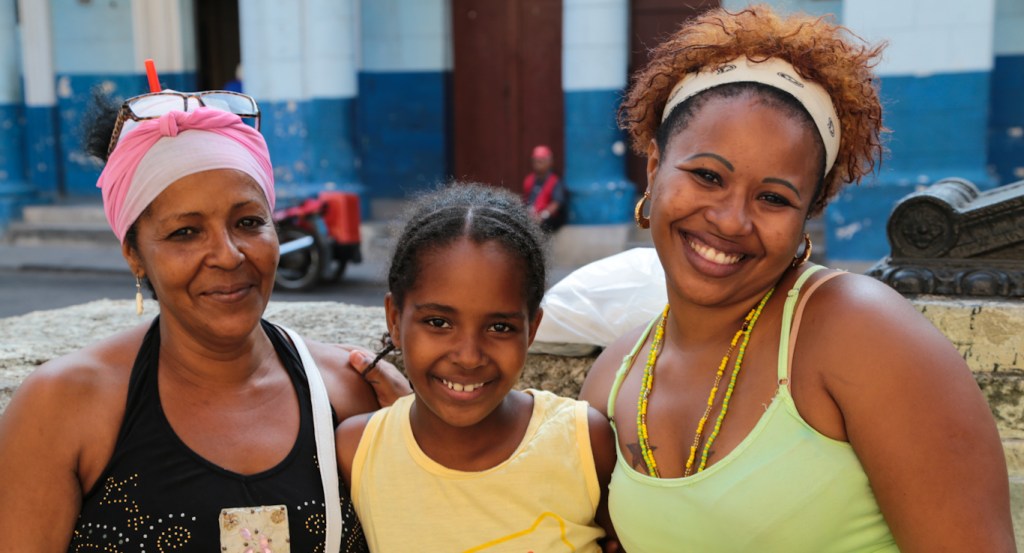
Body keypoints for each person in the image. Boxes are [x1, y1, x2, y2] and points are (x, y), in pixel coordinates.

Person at [577, 5, 1017, 552]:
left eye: (773, 198)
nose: (732, 220)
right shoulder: (613, 380)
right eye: (707, 175)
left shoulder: (859, 334)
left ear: (808, 213)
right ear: (653, 167)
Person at [0, 88, 409, 552]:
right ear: (134, 254)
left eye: (249, 222)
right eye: (185, 232)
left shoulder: (348, 393)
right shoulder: (64, 409)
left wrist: (417, 432)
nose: (228, 255)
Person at [336, 183, 618, 552]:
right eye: (438, 323)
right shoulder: (357, 453)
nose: (468, 356)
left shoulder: (584, 442)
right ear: (394, 319)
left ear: (531, 330)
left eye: (499, 327)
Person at [522, 144, 568, 232]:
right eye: (536, 161)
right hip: (532, 215)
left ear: (549, 162)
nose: (538, 164)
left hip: (547, 219)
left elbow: (556, 203)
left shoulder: (555, 181)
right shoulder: (528, 180)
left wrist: (542, 215)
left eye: (541, 161)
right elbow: (527, 200)